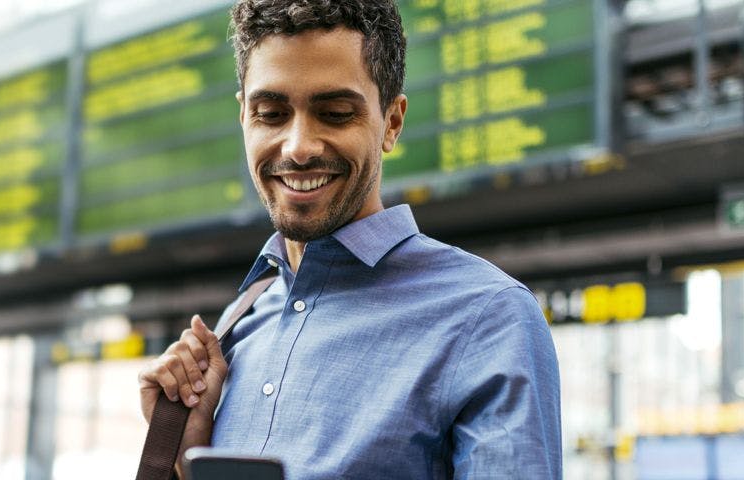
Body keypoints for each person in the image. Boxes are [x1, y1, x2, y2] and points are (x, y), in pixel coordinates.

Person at [137, 1, 562, 478]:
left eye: (336, 113)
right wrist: (187, 452)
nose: (298, 147)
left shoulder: (488, 317)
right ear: (244, 117)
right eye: (272, 113)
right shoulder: (239, 326)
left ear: (392, 122)